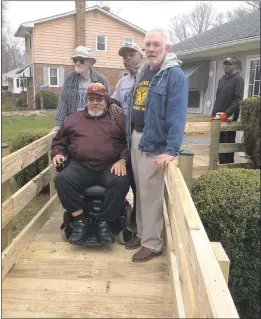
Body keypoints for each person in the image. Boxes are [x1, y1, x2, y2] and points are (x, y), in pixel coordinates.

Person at [124, 29, 188, 262]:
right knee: (140, 191)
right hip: (137, 137)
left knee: (151, 195)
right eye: (147, 45)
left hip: (155, 143)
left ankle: (153, 243)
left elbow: (178, 116)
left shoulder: (174, 75)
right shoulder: (145, 71)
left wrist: (171, 150)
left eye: (156, 44)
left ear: (166, 48)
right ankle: (142, 234)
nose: (150, 49)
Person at [51, 82, 130, 246]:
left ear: (106, 100)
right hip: (80, 166)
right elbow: (60, 141)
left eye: (99, 99)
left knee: (121, 180)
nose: (95, 102)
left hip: (109, 165)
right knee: (62, 180)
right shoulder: (73, 119)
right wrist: (58, 153)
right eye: (92, 98)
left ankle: (104, 222)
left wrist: (123, 159)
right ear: (86, 100)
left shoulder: (119, 119)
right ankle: (80, 220)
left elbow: (128, 143)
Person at [111, 43, 144, 223]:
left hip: (143, 138)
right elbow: (114, 99)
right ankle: (128, 216)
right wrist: (112, 103)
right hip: (126, 140)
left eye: (132, 55)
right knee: (129, 177)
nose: (128, 59)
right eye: (125, 57)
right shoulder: (123, 82)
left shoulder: (148, 78)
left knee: (142, 183)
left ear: (142, 56)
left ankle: (141, 219)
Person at [51, 46, 119, 132]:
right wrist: (58, 124)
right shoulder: (70, 78)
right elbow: (63, 102)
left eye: (81, 60)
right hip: (75, 121)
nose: (77, 63)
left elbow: (106, 100)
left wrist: (111, 105)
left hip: (95, 120)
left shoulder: (100, 79)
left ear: (90, 63)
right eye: (75, 60)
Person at [211, 57, 244, 164]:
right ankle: (221, 165)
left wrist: (227, 113)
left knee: (228, 143)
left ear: (234, 66)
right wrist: (213, 114)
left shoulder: (238, 80)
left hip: (230, 118)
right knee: (219, 143)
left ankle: (228, 166)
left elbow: (237, 100)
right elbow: (218, 98)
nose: (226, 66)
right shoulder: (221, 80)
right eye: (225, 64)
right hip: (218, 117)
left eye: (229, 64)